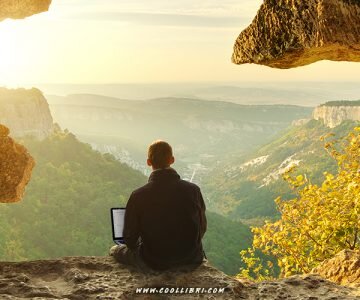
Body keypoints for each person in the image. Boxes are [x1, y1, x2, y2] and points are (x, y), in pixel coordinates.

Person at [110, 140, 207, 271]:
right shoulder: (193, 190)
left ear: (149, 162)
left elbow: (130, 240)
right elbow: (202, 228)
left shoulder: (138, 195)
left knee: (115, 249)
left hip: (153, 261)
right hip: (191, 259)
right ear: (172, 160)